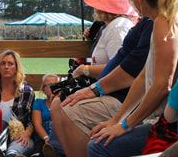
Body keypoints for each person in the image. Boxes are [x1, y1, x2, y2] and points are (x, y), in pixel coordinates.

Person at [87, 0, 178, 157]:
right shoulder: (161, 21)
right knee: (101, 137)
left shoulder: (164, 23)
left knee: (98, 147)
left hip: (169, 123)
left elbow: (163, 85)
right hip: (164, 116)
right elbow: (142, 78)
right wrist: (116, 120)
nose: (129, 1)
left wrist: (125, 125)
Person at [49, 15, 153, 157]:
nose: (95, 10)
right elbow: (137, 72)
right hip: (111, 90)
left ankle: (60, 148)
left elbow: (135, 73)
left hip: (120, 94)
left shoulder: (123, 26)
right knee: (60, 104)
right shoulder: (107, 27)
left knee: (71, 111)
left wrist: (93, 84)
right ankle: (58, 148)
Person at [72, 0, 137, 77]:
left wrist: (84, 70)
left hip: (111, 90)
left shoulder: (118, 27)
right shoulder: (110, 26)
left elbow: (119, 68)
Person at [0, 49, 35, 157]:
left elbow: (32, 120)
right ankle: (1, 150)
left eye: (10, 64)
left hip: (20, 137)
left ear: (16, 67)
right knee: (2, 107)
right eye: (3, 63)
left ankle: (4, 153)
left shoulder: (26, 90)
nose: (6, 67)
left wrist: (27, 134)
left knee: (12, 153)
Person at [31, 74, 60, 157]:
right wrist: (46, 138)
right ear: (44, 90)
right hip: (42, 138)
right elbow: (37, 124)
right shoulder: (39, 102)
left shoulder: (64, 102)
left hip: (59, 139)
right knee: (40, 151)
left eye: (56, 85)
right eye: (49, 85)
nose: (53, 88)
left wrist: (57, 100)